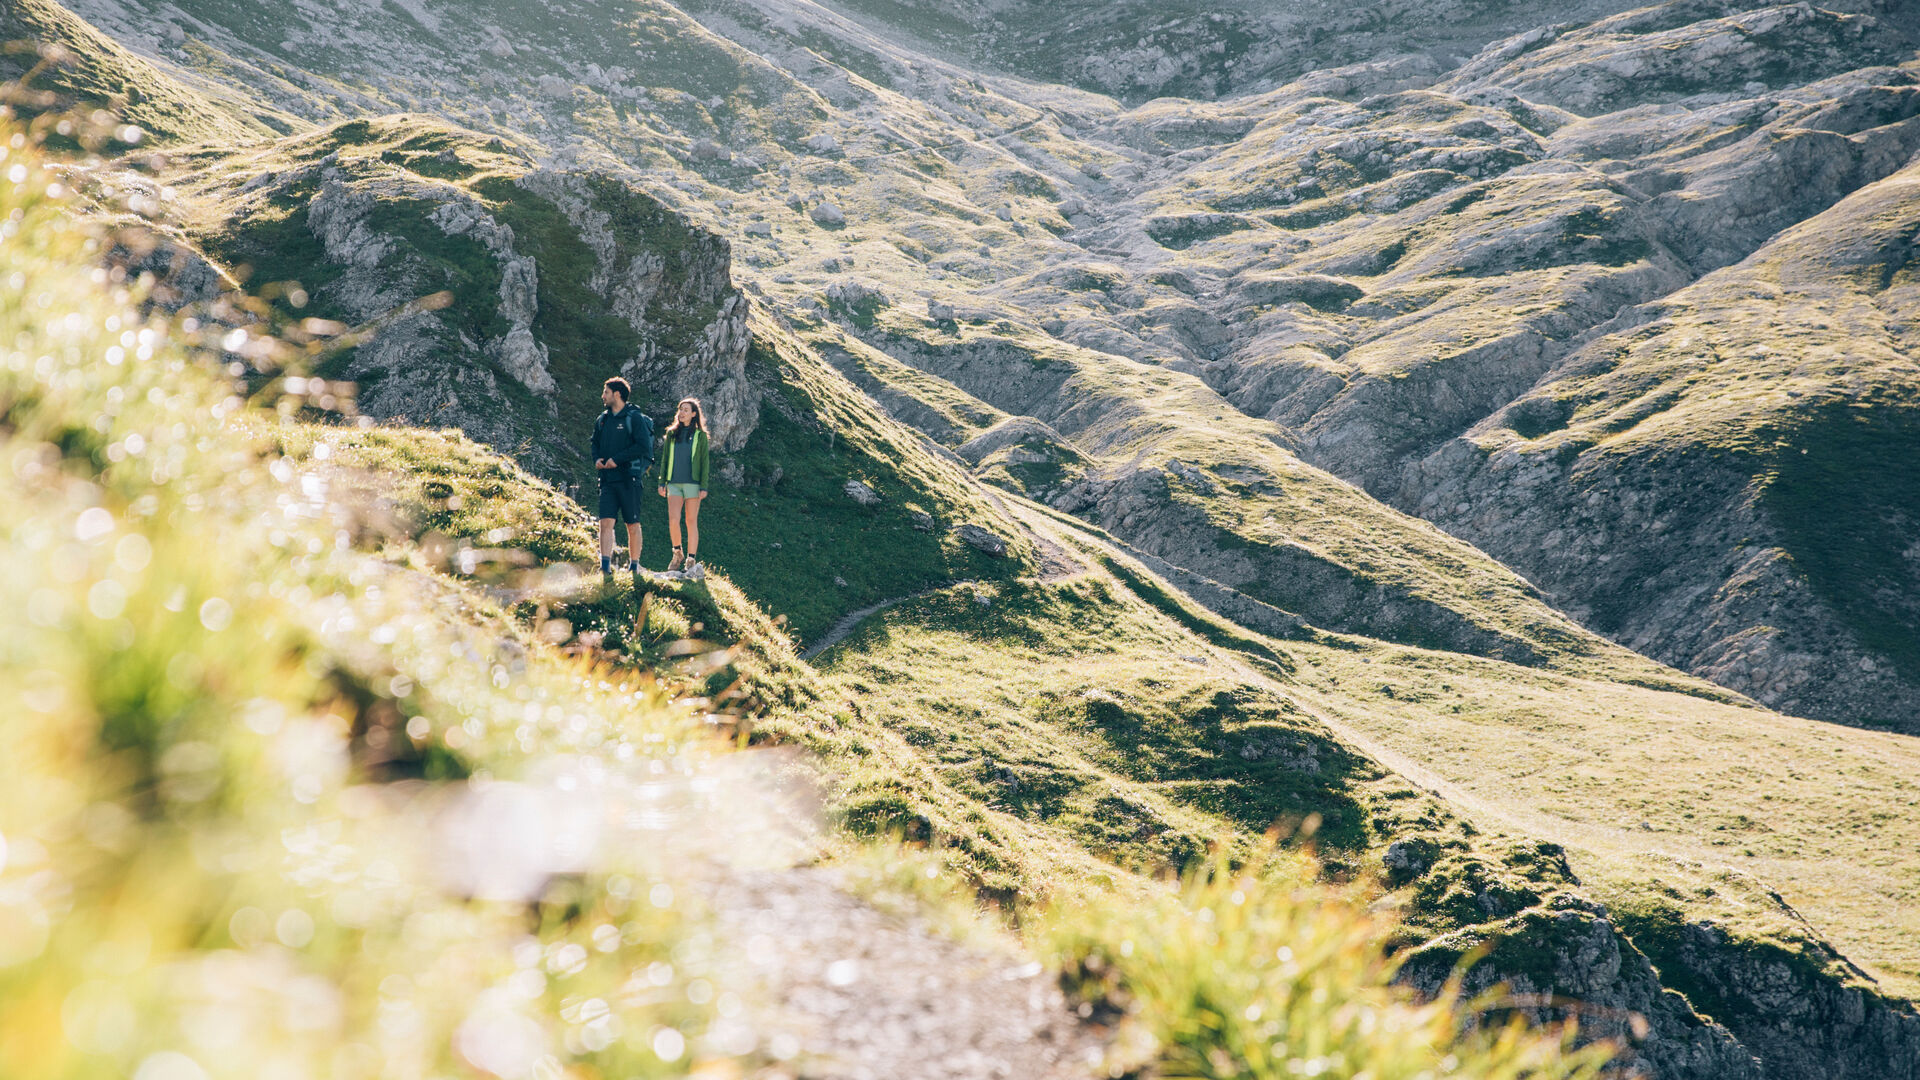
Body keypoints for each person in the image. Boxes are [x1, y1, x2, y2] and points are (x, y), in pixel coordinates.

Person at [589, 376, 654, 579]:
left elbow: (643, 446)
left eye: (606, 392)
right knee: (605, 523)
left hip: (629, 479)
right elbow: (594, 443)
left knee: (632, 524)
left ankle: (634, 567)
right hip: (607, 479)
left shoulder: (633, 418)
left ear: (617, 394)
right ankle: (605, 567)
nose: (603, 396)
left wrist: (617, 460)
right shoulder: (603, 419)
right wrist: (597, 458)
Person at [655, 397, 711, 578]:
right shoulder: (671, 434)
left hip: (693, 484)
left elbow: (704, 462)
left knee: (691, 521)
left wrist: (704, 486)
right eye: (680, 409)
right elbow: (664, 460)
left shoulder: (700, 436)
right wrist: (662, 481)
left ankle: (691, 559)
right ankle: (677, 552)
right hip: (674, 483)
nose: (682, 413)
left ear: (694, 414)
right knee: (673, 519)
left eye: (686, 410)